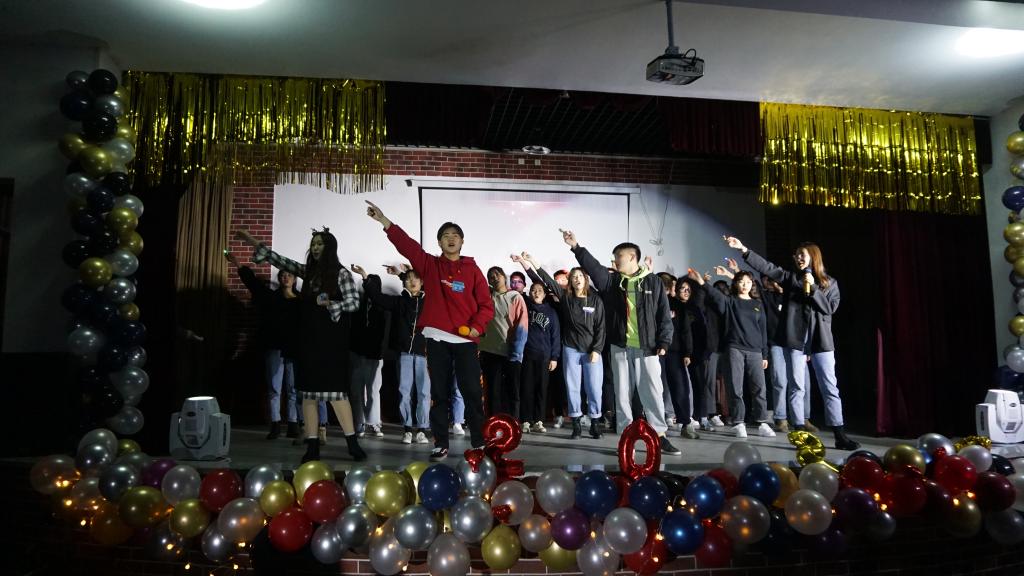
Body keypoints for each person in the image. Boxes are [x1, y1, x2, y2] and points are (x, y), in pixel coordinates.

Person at [365, 200, 494, 461]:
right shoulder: (430, 266)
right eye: (445, 235)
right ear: (439, 242)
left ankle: (479, 443)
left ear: (462, 241)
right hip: (436, 338)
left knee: (472, 392)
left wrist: (476, 327)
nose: (451, 239)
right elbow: (408, 246)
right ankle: (441, 443)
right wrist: (384, 221)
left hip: (465, 341)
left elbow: (486, 305)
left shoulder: (472, 270)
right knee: (439, 394)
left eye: (455, 235)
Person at [235, 227, 366, 463]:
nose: (315, 247)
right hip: (309, 340)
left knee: (337, 393)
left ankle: (352, 444)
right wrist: (251, 240)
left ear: (330, 247)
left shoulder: (341, 274)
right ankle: (312, 445)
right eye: (313, 244)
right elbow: (280, 260)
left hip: (332, 342)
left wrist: (331, 304)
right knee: (308, 395)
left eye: (320, 244)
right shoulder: (309, 272)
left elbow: (354, 302)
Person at [724, 235, 860, 450]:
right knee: (797, 386)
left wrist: (813, 288)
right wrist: (743, 249)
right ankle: (800, 434)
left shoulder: (830, 283)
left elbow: (829, 308)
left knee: (830, 387)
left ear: (813, 257)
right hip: (795, 341)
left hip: (821, 342)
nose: (798, 258)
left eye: (802, 255)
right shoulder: (790, 279)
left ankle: (839, 434)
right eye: (796, 255)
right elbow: (767, 267)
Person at [561, 229, 681, 455]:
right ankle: (627, 438)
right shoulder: (613, 282)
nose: (615, 260)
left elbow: (663, 315)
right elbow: (594, 268)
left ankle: (659, 435)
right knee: (622, 394)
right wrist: (576, 247)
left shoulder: (653, 282)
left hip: (648, 347)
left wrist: (664, 342)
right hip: (620, 347)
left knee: (652, 392)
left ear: (632, 257)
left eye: (619, 256)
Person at [515, 252, 604, 439]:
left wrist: (596, 349)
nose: (577, 279)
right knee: (572, 387)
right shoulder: (566, 298)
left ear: (585, 279)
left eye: (580, 276)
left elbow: (601, 327)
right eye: (574, 277)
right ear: (570, 281)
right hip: (571, 349)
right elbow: (545, 280)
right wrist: (530, 261)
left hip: (592, 350)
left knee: (594, 387)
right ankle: (576, 423)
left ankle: (595, 422)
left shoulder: (595, 300)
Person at [689, 268, 774, 438]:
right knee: (735, 387)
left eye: (748, 282)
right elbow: (715, 295)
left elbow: (763, 330)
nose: (745, 285)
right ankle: (738, 422)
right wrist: (701, 282)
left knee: (759, 388)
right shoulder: (730, 302)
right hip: (734, 348)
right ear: (736, 284)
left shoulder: (757, 304)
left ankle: (762, 422)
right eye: (741, 282)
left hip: (755, 351)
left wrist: (764, 354)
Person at [225, 251, 301, 440]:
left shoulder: (301, 301)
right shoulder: (271, 297)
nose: (285, 277)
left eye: (289, 275)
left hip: (294, 349)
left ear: (294, 280)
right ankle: (275, 424)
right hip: (274, 347)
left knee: (293, 388)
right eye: (283, 275)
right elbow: (253, 284)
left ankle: (293, 424)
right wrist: (238, 264)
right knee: (274, 387)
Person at [364, 264, 431, 445]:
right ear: (404, 283)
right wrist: (365, 278)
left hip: (424, 353)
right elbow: (377, 298)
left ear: (422, 282)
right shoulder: (399, 301)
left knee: (424, 393)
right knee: (404, 391)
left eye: (415, 279)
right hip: (404, 353)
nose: (412, 282)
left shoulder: (429, 301)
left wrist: (403, 273)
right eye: (408, 279)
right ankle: (407, 429)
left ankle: (422, 430)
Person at [478, 266, 528, 419]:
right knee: (492, 391)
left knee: (512, 391)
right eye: (490, 276)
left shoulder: (515, 297)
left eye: (496, 274)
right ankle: (493, 424)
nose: (494, 278)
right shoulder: (486, 298)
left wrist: (516, 352)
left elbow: (522, 325)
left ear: (504, 277)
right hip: (489, 351)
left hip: (510, 353)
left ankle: (513, 425)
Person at [347, 264, 391, 438]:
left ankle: (374, 422)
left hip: (375, 354)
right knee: (356, 390)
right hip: (357, 353)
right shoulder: (358, 304)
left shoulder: (384, 306)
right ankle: (360, 422)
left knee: (373, 390)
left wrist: (381, 353)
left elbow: (386, 333)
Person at [519, 280, 561, 434]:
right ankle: (525, 420)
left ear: (544, 294)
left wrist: (554, 357)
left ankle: (539, 420)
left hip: (544, 356)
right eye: (533, 290)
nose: (536, 293)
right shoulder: (525, 308)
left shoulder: (551, 312)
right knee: (526, 388)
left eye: (539, 290)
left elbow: (555, 336)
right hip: (527, 355)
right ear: (529, 293)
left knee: (542, 390)